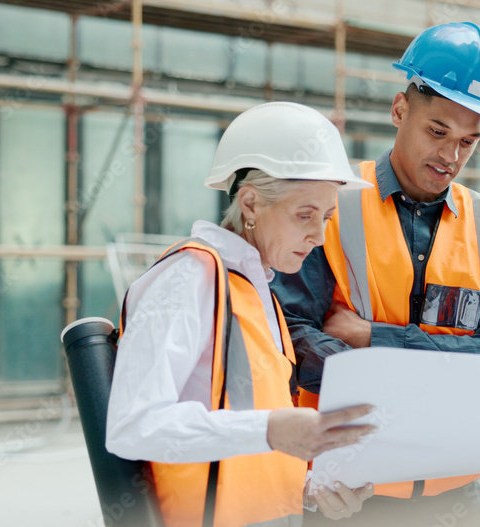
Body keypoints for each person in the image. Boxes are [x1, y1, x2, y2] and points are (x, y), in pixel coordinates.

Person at [271, 22, 480, 526]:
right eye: (438, 132)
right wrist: (442, 369)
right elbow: (289, 335)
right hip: (346, 494)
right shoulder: (332, 203)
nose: (450, 157)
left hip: (457, 496)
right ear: (399, 109)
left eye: (468, 142)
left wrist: (372, 338)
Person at [106, 102, 381, 527]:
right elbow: (133, 425)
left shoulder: (257, 292)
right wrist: (271, 430)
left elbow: (246, 438)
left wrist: (310, 488)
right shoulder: (189, 278)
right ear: (250, 203)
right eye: (305, 215)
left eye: (326, 217)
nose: (319, 236)